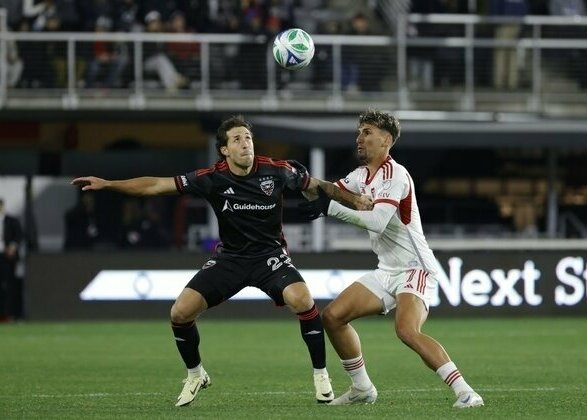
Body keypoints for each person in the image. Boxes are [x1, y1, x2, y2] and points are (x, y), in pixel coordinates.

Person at [71, 115, 371, 407]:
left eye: (249, 138)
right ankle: (196, 374)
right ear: (225, 150)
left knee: (303, 300)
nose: (246, 144)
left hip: (270, 257)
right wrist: (109, 184)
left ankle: (321, 375)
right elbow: (155, 185)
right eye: (237, 139)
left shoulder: (277, 171)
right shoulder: (211, 178)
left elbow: (320, 185)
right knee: (179, 313)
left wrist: (355, 201)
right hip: (231, 259)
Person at [299, 110, 484, 408]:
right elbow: (330, 192)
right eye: (359, 132)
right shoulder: (361, 175)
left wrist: (328, 209)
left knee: (407, 330)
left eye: (367, 132)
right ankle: (362, 388)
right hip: (387, 270)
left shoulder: (395, 174)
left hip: (415, 267)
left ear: (386, 140)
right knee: (333, 317)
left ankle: (466, 391)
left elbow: (377, 221)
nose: (360, 138)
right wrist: (301, 180)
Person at [0, 198, 23, 322]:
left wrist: (13, 247)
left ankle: (8, 314)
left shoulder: (11, 221)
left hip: (6, 258)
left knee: (8, 286)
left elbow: (19, 236)